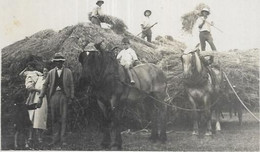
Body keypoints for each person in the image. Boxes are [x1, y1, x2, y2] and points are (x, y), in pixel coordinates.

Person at [37, 53, 74, 146]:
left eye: (60, 62)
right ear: (54, 63)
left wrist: (71, 97)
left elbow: (72, 85)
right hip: (53, 96)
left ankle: (63, 139)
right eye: (56, 62)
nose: (58, 64)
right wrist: (41, 96)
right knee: (54, 118)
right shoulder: (51, 72)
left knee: (64, 117)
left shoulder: (68, 72)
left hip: (64, 96)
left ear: (62, 62)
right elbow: (45, 85)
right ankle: (55, 138)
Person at [27, 67, 49, 145]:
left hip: (43, 99)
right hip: (34, 98)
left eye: (47, 71)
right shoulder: (38, 78)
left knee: (40, 118)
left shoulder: (49, 80)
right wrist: (37, 90)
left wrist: (41, 91)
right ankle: (30, 137)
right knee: (31, 117)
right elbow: (30, 86)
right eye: (44, 71)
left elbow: (47, 90)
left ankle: (39, 137)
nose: (45, 72)